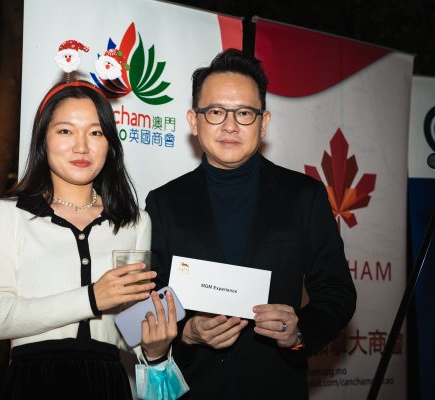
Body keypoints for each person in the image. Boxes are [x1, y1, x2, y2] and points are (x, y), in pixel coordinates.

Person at [145, 49, 357, 399]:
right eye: (216, 112)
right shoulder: (163, 203)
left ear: (264, 122)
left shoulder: (303, 196)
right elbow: (149, 302)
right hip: (196, 388)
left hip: (276, 386)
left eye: (244, 113)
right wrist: (188, 332)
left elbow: (338, 293)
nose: (230, 126)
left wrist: (297, 334)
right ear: (194, 121)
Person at [0, 80, 178, 399]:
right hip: (32, 382)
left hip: (107, 383)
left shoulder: (135, 221)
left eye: (95, 132)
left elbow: (128, 330)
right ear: (43, 139)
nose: (81, 146)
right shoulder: (10, 213)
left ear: (110, 143)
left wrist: (155, 347)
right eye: (66, 131)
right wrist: (92, 298)